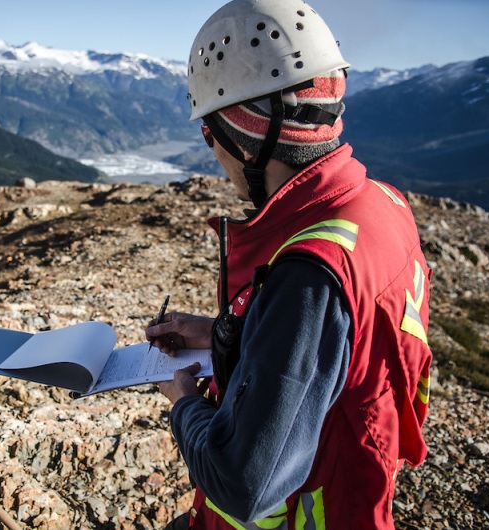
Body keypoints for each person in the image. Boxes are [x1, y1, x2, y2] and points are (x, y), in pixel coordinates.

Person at [144, 1, 433, 529]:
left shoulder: (310, 271)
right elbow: (343, 351)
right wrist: (221, 333)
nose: (213, 154)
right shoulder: (381, 205)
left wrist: (183, 400)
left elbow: (242, 483)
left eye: (210, 133)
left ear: (244, 133)